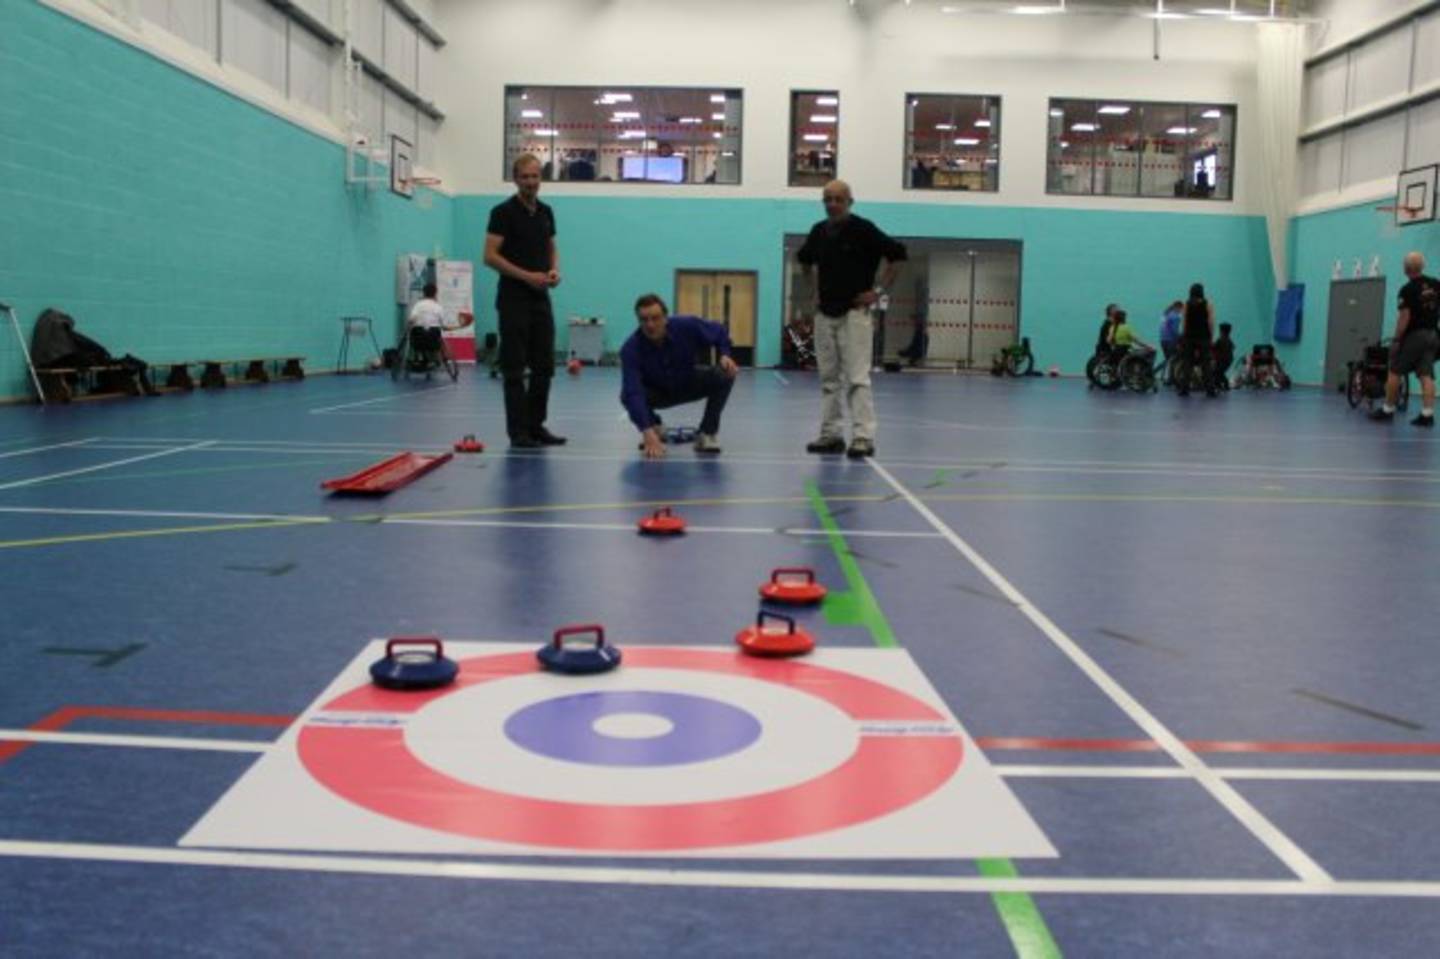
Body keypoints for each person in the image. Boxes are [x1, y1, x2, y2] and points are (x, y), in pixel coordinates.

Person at [796, 179, 907, 459]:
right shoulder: (818, 232)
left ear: (849, 202)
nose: (832, 204)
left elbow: (897, 256)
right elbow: (805, 260)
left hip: (854, 314)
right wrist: (814, 292)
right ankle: (831, 435)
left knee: (857, 378)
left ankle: (862, 437)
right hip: (825, 314)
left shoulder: (864, 229)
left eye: (838, 199)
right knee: (828, 379)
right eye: (827, 199)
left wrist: (877, 291)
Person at [484, 154, 566, 449]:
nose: (531, 182)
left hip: (540, 299)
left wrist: (553, 270)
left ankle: (536, 426)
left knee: (545, 366)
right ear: (516, 179)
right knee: (515, 369)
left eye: (535, 177)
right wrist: (526, 276)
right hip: (513, 300)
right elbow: (490, 256)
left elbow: (551, 247)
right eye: (525, 177)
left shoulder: (546, 212)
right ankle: (518, 433)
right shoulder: (502, 212)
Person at [620, 294, 738, 459]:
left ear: (666, 318)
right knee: (627, 395)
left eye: (655, 318)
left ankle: (707, 433)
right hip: (658, 392)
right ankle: (655, 427)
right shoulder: (630, 349)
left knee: (725, 373)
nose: (650, 325)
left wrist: (725, 354)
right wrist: (646, 431)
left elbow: (719, 331)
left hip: (688, 382)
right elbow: (633, 392)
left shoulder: (687, 326)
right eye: (644, 319)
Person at [1372, 251, 1440, 427]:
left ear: (1405, 269)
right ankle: (1427, 415)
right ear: (1422, 266)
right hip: (1433, 335)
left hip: (1415, 336)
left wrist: (1396, 339)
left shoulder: (1407, 290)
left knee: (1395, 371)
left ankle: (1388, 410)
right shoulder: (1436, 284)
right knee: (1426, 374)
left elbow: (1404, 318)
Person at [29, 307, 157, 399]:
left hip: (54, 360)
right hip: (55, 361)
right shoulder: (57, 336)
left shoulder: (58, 335)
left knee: (94, 357)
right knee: (91, 357)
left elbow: (83, 344)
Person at [1177, 282, 1216, 398]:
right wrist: (1211, 336)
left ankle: (1184, 389)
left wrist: (1184, 336)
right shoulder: (1208, 304)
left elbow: (1184, 322)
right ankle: (1210, 390)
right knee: (1206, 364)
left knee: (1187, 363)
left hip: (1189, 337)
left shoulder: (1186, 304)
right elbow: (1211, 322)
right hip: (1204, 337)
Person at [1158, 300, 1183, 370]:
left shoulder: (1165, 315)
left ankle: (1164, 376)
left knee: (1168, 360)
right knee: (1176, 359)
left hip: (1163, 340)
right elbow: (1174, 331)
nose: (1181, 312)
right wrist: (1180, 337)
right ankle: (1172, 378)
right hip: (1170, 341)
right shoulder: (1176, 317)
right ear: (1178, 307)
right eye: (1181, 309)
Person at [1212, 321, 1235, 391]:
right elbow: (1233, 347)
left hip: (1223, 360)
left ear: (1222, 331)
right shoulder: (1229, 340)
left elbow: (1214, 347)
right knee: (1219, 372)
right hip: (1228, 360)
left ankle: (1222, 384)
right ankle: (1220, 385)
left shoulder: (1220, 339)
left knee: (1217, 372)